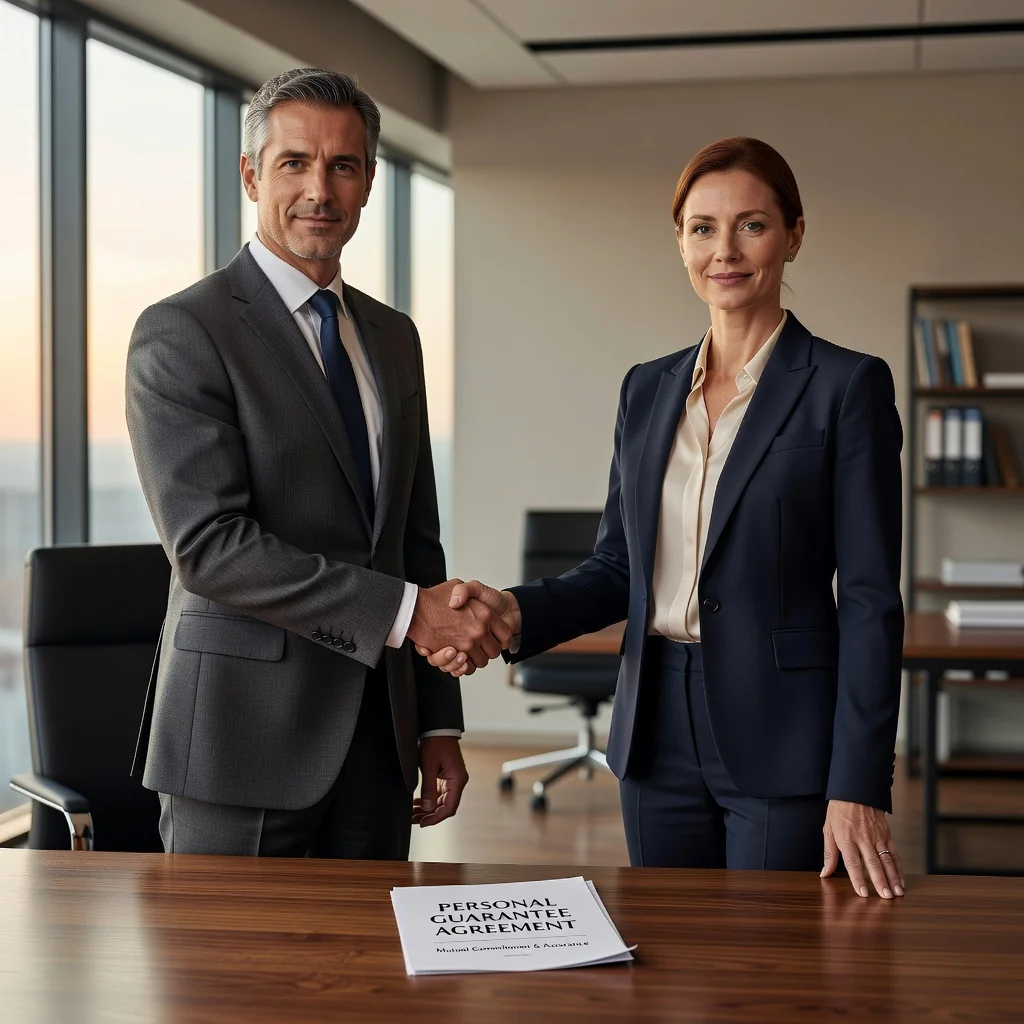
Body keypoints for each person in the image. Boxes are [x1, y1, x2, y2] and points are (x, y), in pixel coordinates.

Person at [423, 137, 906, 898]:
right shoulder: (646, 391)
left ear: (794, 236)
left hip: (783, 731)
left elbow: (874, 602)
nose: (726, 250)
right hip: (655, 728)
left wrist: (861, 782)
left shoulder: (846, 387)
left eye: (752, 225)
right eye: (703, 227)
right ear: (680, 238)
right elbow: (618, 568)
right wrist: (511, 613)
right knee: (670, 964)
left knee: (772, 965)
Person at [127, 68, 510, 858]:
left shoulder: (393, 336)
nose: (319, 190)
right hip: (242, 737)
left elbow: (414, 539)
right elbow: (209, 548)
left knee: (371, 975)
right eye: (293, 163)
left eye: (343, 165)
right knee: (233, 980)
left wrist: (436, 718)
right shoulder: (183, 332)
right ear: (250, 175)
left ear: (368, 182)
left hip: (378, 734)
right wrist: (408, 616)